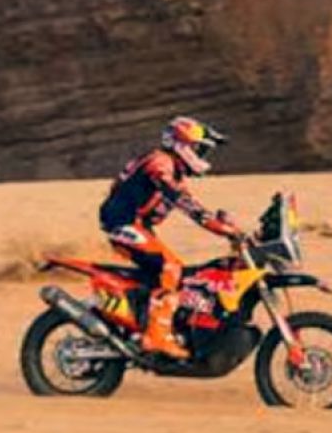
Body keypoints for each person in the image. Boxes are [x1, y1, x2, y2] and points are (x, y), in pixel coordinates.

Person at [98, 116, 240, 360]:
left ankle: (143, 320)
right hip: (123, 223)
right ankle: (156, 336)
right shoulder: (160, 163)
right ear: (181, 146)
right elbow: (187, 205)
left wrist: (231, 228)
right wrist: (222, 230)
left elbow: (194, 205)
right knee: (170, 268)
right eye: (199, 148)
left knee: (177, 274)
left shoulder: (171, 169)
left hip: (136, 225)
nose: (202, 155)